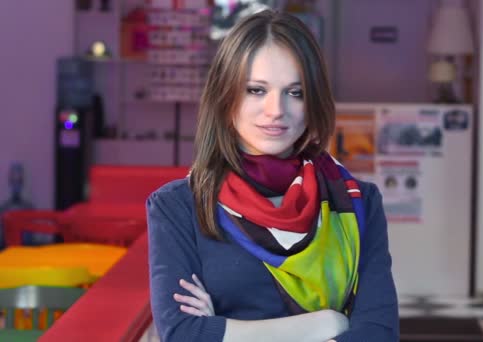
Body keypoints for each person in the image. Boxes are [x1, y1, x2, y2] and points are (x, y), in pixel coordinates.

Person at [146, 9, 398, 341]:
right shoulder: (177, 207)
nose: (276, 110)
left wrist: (224, 330)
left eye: (295, 92)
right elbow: (182, 334)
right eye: (256, 90)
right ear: (226, 96)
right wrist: (326, 324)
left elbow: (378, 333)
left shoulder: (359, 203)